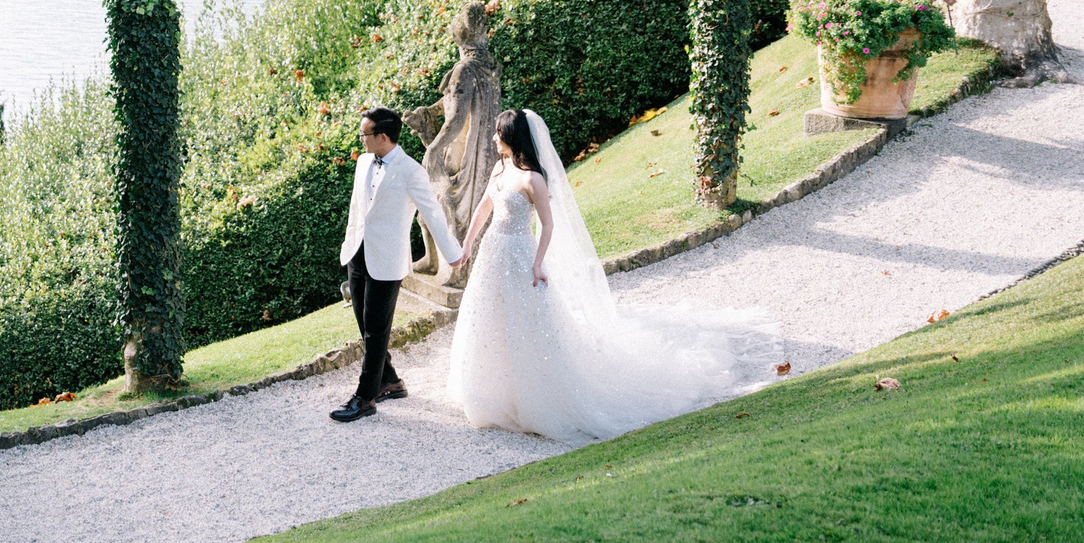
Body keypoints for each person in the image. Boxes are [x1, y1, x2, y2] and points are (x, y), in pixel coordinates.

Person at [450, 108, 780, 441]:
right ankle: (494, 391)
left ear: (511, 136)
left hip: (520, 255)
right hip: (493, 252)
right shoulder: (500, 168)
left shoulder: (532, 178)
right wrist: (467, 245)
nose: (494, 138)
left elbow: (549, 224)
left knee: (524, 322)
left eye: (497, 133)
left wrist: (537, 263)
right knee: (490, 316)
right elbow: (483, 209)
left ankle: (532, 396)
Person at [331, 107, 465, 423]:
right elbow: (356, 207)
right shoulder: (364, 161)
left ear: (382, 136)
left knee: (377, 329)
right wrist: (348, 245)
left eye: (365, 134)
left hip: (388, 260)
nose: (361, 139)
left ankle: (364, 398)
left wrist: (452, 253)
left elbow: (432, 213)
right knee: (366, 327)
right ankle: (390, 381)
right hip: (358, 254)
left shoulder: (411, 171)